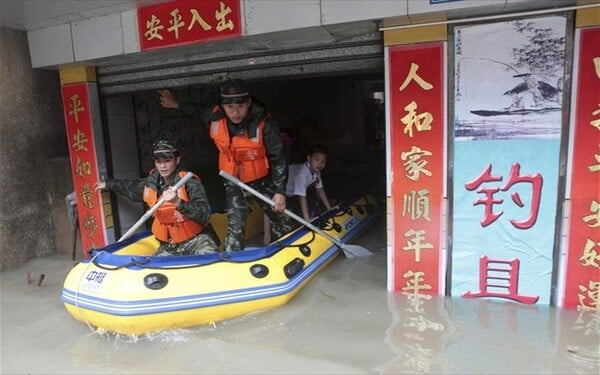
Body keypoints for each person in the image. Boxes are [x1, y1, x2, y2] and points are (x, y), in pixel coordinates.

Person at [158, 79, 295, 251]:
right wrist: (176, 104)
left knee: (285, 220)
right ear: (223, 106)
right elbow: (195, 109)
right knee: (236, 223)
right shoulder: (213, 115)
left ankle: (283, 249)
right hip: (232, 180)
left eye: (240, 106)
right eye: (230, 107)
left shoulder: (264, 123)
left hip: (260, 180)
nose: (235, 112)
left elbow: (279, 157)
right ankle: (232, 261)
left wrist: (279, 191)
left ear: (249, 103)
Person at [94, 140, 218, 256]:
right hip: (169, 246)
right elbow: (130, 187)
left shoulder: (190, 183)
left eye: (167, 160)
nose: (163, 166)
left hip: (196, 241)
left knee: (209, 262)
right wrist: (108, 184)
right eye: (159, 161)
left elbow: (204, 214)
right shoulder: (151, 183)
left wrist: (178, 202)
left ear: (177, 160)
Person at [285, 144, 333, 222]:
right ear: (309, 159)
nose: (320, 164)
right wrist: (307, 219)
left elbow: (320, 190)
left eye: (323, 161)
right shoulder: (302, 173)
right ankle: (267, 234)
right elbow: (301, 196)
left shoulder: (316, 171)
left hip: (291, 193)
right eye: (317, 160)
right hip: (279, 190)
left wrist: (329, 209)